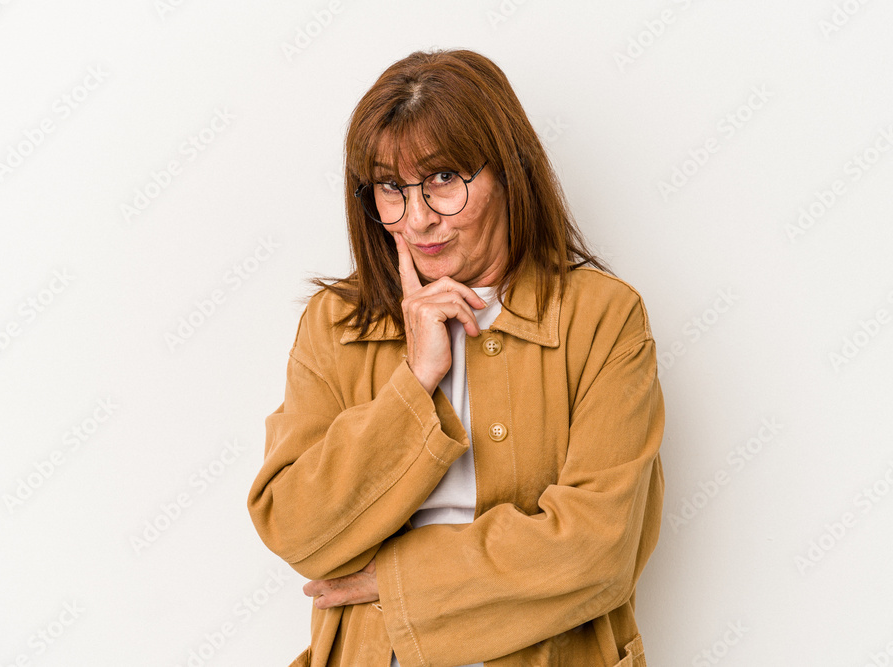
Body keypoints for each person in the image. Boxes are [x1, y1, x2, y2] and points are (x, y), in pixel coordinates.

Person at [247, 48, 665, 667]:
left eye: (444, 178)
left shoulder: (602, 317)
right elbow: (297, 530)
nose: (417, 220)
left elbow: (597, 551)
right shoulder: (334, 324)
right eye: (391, 188)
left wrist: (394, 583)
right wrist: (416, 379)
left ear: (509, 173)